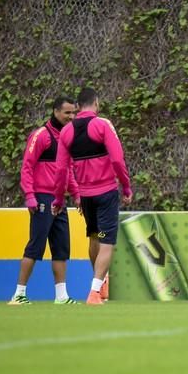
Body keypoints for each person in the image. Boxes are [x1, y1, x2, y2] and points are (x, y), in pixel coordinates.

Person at [51, 87, 132, 305]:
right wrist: (126, 187)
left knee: (94, 237)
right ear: (95, 103)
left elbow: (60, 170)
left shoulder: (66, 131)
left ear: (77, 107)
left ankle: (99, 282)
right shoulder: (102, 125)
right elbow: (117, 160)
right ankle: (95, 291)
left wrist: (58, 199)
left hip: (85, 197)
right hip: (105, 192)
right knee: (107, 243)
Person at [9, 96, 79, 305]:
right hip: (42, 198)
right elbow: (27, 167)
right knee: (35, 246)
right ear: (56, 111)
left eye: (73, 113)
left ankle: (61, 296)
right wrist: (30, 196)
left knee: (61, 248)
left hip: (59, 201)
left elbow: (68, 171)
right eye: (67, 113)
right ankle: (18, 294)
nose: (71, 117)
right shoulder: (40, 136)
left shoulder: (68, 138)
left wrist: (76, 193)